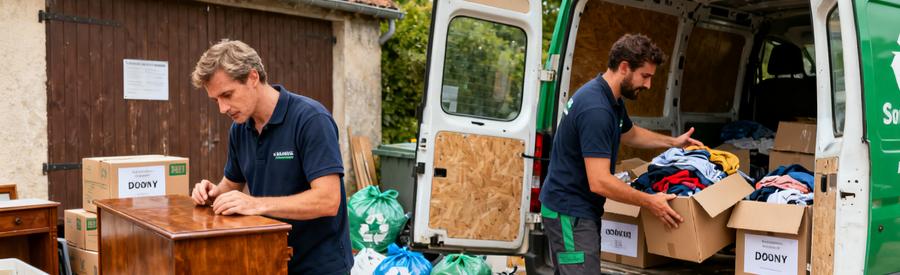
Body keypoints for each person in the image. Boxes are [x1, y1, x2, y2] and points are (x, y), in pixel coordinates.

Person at [538, 33, 702, 274]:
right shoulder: (596, 109)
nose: (648, 85)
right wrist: (650, 202)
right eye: (645, 76)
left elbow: (630, 133)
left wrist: (673, 142)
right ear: (624, 67)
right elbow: (600, 181)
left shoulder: (609, 98)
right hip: (569, 212)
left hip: (577, 211)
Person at [189, 39, 352, 274]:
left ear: (253, 77)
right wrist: (211, 193)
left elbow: (328, 201)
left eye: (227, 95)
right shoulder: (240, 128)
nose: (222, 109)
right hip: (268, 259)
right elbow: (231, 184)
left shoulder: (311, 119)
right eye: (216, 100)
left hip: (319, 266)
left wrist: (256, 204)